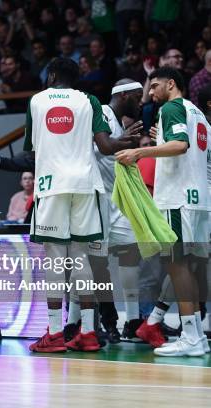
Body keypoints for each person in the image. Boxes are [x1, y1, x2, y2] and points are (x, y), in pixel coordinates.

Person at [24, 58, 136, 353]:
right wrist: (128, 142)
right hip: (87, 185)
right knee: (83, 258)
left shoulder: (37, 101)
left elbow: (33, 151)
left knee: (55, 260)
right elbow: (106, 147)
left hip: (53, 185)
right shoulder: (90, 101)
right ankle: (87, 332)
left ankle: (56, 332)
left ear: (52, 76)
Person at [116, 67, 210, 357]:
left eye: (155, 85)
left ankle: (192, 337)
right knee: (189, 267)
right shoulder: (198, 114)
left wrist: (139, 152)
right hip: (199, 199)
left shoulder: (171, 107)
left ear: (171, 84)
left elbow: (180, 146)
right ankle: (196, 338)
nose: (151, 92)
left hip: (178, 198)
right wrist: (160, 141)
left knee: (177, 265)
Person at [80, 79, 145, 344]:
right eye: (138, 97)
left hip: (116, 201)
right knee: (95, 264)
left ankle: (132, 320)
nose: (141, 102)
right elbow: (98, 147)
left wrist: (124, 138)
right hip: (98, 199)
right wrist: (122, 142)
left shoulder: (117, 121)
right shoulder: (104, 112)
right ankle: (90, 323)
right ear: (125, 95)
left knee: (132, 249)